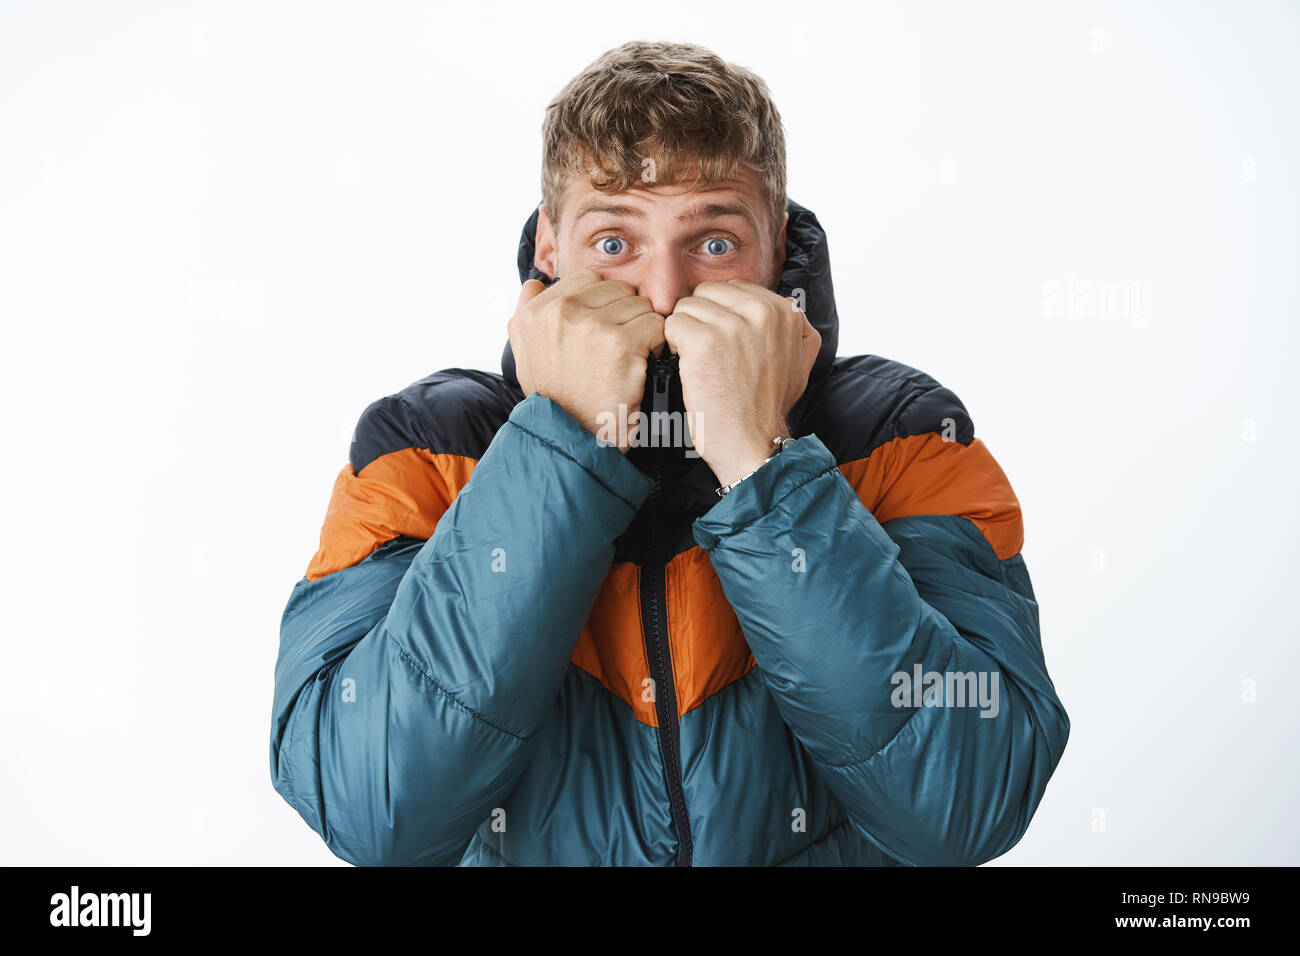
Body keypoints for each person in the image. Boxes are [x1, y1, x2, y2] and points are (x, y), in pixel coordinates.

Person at [269, 39, 1070, 866]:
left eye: (714, 244)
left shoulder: (900, 436)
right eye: (615, 243)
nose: (663, 294)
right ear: (552, 248)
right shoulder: (425, 449)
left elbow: (967, 807)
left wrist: (763, 464)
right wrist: (559, 446)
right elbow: (374, 812)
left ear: (779, 247)